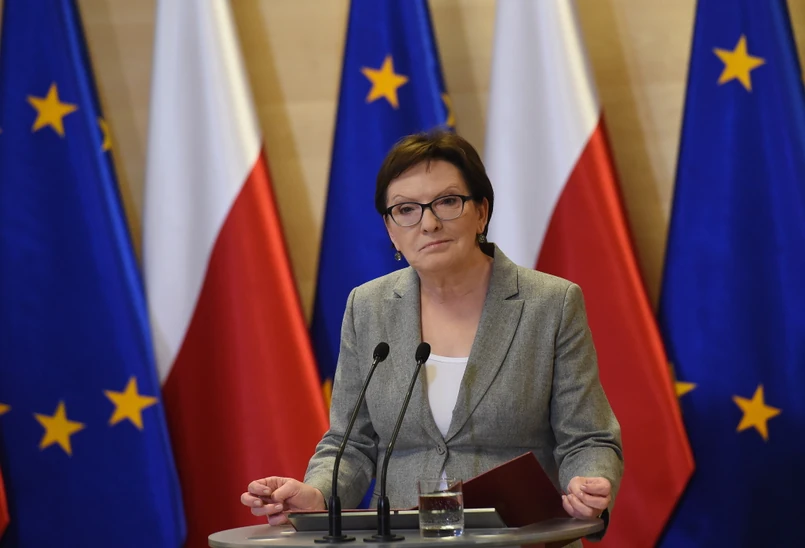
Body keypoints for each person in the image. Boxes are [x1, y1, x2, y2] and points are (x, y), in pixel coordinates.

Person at [241, 131, 623, 540]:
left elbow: (588, 437)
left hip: (518, 537)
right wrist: (318, 493)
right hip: (401, 538)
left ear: (481, 212)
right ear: (391, 229)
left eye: (447, 202)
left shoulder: (550, 304)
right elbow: (351, 442)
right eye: (406, 209)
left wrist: (589, 482)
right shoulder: (367, 307)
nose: (429, 223)